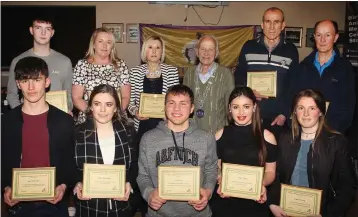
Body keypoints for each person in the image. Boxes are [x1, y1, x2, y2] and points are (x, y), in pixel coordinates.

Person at [2, 56, 76, 217]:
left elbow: (70, 162)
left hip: (54, 203)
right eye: (25, 80)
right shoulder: (6, 122)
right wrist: (6, 187)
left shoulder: (64, 121)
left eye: (36, 79)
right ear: (17, 84)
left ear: (47, 82)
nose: (30, 87)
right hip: (18, 204)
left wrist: (63, 186)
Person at [268, 89, 355, 217]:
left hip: (321, 211)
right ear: (294, 112)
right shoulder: (285, 138)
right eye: (301, 108)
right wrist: (273, 203)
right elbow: (276, 175)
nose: (306, 114)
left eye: (312, 108)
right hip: (286, 210)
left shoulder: (336, 142)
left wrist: (326, 214)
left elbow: (346, 187)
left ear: (320, 112)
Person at [137, 84, 218, 217]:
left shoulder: (206, 138)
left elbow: (211, 169)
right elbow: (143, 175)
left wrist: (208, 191)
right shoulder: (148, 138)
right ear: (164, 106)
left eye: (183, 104)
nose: (176, 108)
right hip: (159, 213)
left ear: (192, 108)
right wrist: (149, 194)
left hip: (198, 214)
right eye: (171, 103)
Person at [210, 86, 277, 217]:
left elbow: (270, 171)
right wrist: (220, 178)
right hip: (225, 203)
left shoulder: (268, 137)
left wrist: (260, 184)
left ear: (254, 107)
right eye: (236, 107)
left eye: (246, 106)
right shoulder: (219, 135)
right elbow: (215, 167)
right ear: (229, 108)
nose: (241, 112)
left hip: (254, 203)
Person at [234, 7, 299, 140]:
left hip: (277, 119)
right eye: (268, 21)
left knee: (273, 159)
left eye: (276, 22)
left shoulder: (290, 50)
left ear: (283, 25)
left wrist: (284, 114)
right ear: (262, 25)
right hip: (250, 116)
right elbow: (239, 78)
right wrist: (248, 91)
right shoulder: (249, 46)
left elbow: (293, 85)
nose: (272, 26)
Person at [73, 84, 137, 217]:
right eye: (97, 104)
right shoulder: (77, 132)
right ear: (90, 106)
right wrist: (77, 183)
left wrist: (129, 183)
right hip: (89, 207)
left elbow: (136, 165)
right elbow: (70, 166)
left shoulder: (128, 131)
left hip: (122, 208)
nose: (102, 110)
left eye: (108, 104)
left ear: (115, 108)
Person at [293, 20, 356, 133]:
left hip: (333, 132)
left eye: (327, 35)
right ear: (314, 37)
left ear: (335, 37)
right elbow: (294, 99)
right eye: (319, 35)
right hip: (304, 131)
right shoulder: (303, 67)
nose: (322, 40)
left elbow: (348, 104)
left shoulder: (345, 68)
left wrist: (335, 130)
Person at [6, 15, 73, 112]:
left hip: (56, 119)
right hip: (27, 119)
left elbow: (69, 96)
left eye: (47, 29)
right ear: (31, 30)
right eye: (38, 28)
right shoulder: (18, 61)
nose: (43, 32)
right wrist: (21, 116)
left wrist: (65, 113)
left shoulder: (65, 61)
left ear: (52, 33)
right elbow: (12, 95)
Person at [72, 27, 130, 124]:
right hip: (89, 120)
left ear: (112, 46)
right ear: (93, 44)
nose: (104, 46)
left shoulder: (121, 65)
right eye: (100, 41)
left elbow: (125, 97)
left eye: (108, 42)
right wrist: (93, 114)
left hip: (116, 119)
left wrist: (115, 114)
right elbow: (76, 98)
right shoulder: (82, 65)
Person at [128, 35, 179, 135]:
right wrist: (136, 112)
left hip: (165, 125)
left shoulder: (172, 71)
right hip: (142, 125)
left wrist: (170, 114)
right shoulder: (134, 72)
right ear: (145, 51)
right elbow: (130, 103)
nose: (154, 51)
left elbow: (176, 100)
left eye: (158, 48)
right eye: (150, 47)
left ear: (162, 52)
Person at [183, 34, 235, 134]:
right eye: (203, 49)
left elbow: (230, 107)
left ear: (216, 53)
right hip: (192, 134)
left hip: (217, 134)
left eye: (211, 49)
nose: (206, 53)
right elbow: (185, 105)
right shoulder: (189, 73)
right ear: (197, 52)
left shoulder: (225, 74)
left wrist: (229, 134)